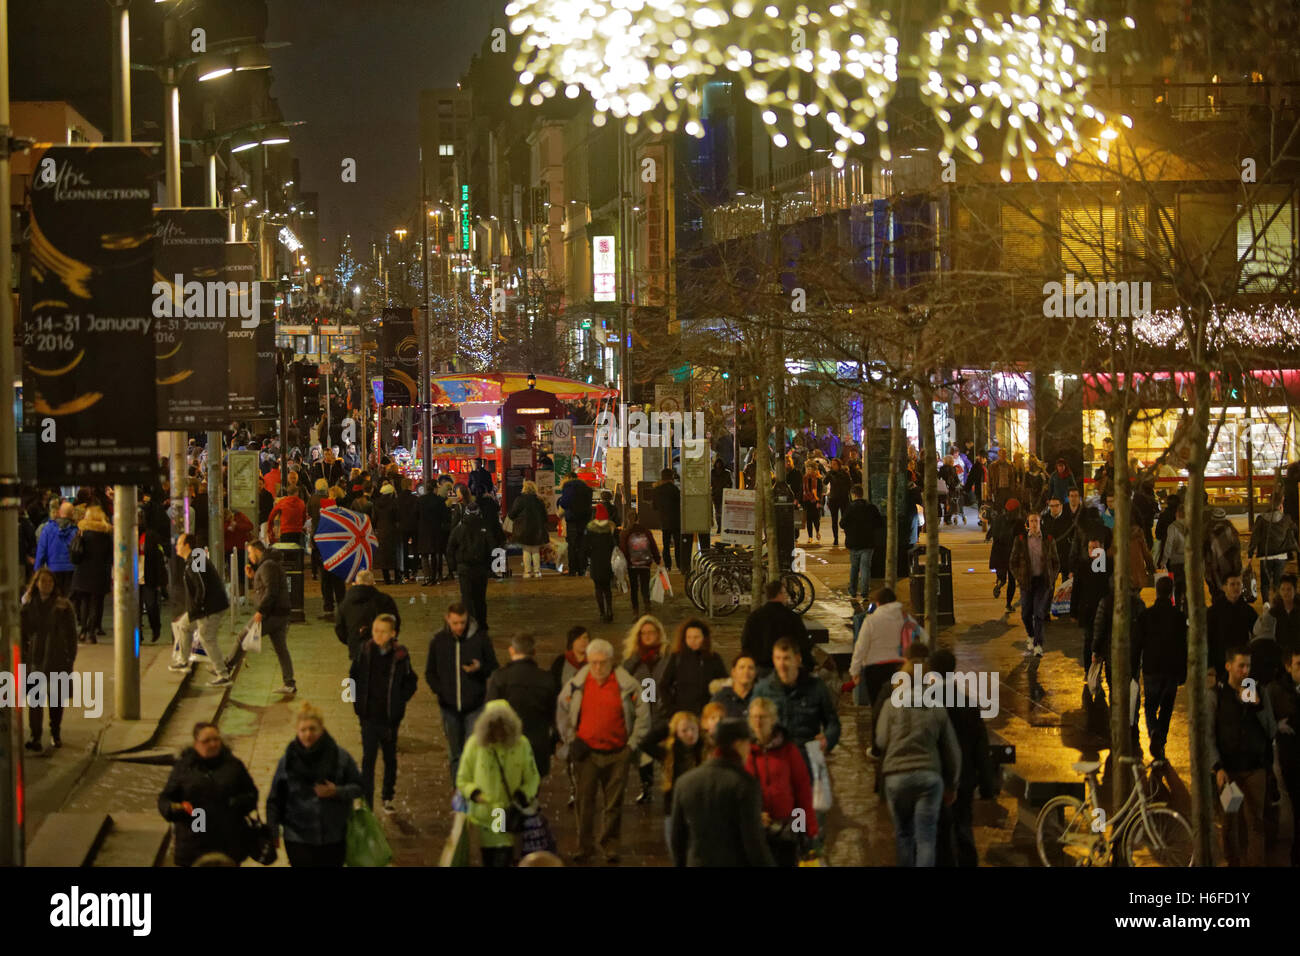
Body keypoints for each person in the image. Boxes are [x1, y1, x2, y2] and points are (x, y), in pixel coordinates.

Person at [556, 638, 650, 864]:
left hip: (618, 752)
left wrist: (632, 744)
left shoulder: (627, 684)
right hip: (586, 754)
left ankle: (609, 844)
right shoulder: (577, 684)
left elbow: (643, 712)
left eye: (602, 662)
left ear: (611, 661)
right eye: (594, 662)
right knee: (583, 803)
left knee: (614, 804)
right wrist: (570, 738)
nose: (597, 667)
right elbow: (562, 708)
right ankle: (584, 845)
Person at [874, 655, 961, 867]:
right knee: (926, 838)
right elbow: (952, 750)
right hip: (929, 776)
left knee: (903, 834)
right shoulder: (936, 706)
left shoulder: (890, 704)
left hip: (896, 777)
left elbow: (881, 741)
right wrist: (953, 784)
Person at [266, 703, 363, 867]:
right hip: (298, 838)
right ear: (297, 731)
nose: (308, 734)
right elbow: (275, 799)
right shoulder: (288, 761)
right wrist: (273, 831)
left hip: (333, 837)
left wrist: (337, 791)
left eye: (313, 729)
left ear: (322, 729)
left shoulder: (340, 757)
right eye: (303, 730)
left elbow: (360, 787)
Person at [669, 717, 775, 866]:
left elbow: (677, 839)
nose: (749, 750)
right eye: (747, 744)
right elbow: (753, 842)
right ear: (738, 744)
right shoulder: (744, 784)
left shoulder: (685, 782)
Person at [1209, 646, 1277, 867]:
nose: (1246, 671)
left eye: (1248, 666)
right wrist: (1217, 766)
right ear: (1229, 666)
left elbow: (1271, 730)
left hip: (1255, 769)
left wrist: (1258, 707)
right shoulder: (1219, 695)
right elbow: (1209, 735)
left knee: (1255, 822)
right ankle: (1233, 862)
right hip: (1230, 772)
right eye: (1241, 666)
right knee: (1230, 823)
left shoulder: (1259, 691)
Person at [928, 648, 995, 867]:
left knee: (936, 832)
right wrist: (987, 785)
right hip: (963, 778)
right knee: (963, 829)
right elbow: (980, 748)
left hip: (934, 776)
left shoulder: (924, 704)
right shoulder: (968, 704)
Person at [157, 723, 258, 867]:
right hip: (193, 844)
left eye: (216, 739)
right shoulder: (183, 767)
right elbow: (165, 799)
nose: (213, 744)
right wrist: (173, 809)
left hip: (227, 844)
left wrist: (236, 804)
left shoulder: (234, 765)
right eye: (207, 741)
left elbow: (251, 794)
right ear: (196, 743)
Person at [456, 699, 542, 867]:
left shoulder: (522, 745)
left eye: (503, 725)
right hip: (481, 818)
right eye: (494, 725)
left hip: (505, 814)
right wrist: (475, 793)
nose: (499, 731)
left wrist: (521, 796)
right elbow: (462, 778)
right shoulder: (475, 745)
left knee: (502, 857)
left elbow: (532, 778)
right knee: (488, 858)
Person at [349, 613, 418, 812]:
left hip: (389, 718)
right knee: (368, 759)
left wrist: (399, 701)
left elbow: (411, 681)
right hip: (368, 716)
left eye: (382, 632)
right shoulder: (365, 650)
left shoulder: (400, 655)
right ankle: (367, 802)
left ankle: (388, 795)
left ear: (392, 633)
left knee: (389, 757)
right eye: (375, 631)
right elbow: (352, 675)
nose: (377, 635)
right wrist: (356, 703)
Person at [425, 602, 497, 779]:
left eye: (462, 623)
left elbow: (493, 666)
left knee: (474, 751)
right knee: (455, 753)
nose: (459, 627)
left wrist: (479, 668)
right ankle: (460, 794)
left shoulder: (480, 639)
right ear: (447, 619)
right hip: (449, 707)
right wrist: (441, 691)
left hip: (475, 706)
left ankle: (474, 790)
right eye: (455, 623)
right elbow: (430, 672)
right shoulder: (439, 641)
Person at [746, 695, 817, 865]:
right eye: (754, 717)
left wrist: (804, 830)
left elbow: (802, 790)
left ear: (773, 719)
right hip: (756, 831)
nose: (758, 721)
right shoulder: (744, 752)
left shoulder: (789, 750)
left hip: (786, 828)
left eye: (762, 717)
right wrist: (754, 814)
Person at [753, 638, 840, 766]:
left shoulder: (815, 687)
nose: (782, 664)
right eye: (778, 658)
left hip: (806, 755)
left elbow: (832, 721)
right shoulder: (763, 689)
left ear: (798, 659)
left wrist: (827, 740)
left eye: (787, 658)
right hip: (774, 756)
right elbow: (750, 723)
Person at [20, 568, 78, 751]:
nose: (46, 585)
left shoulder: (63, 606)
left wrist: (70, 659)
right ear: (36, 583)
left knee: (55, 700)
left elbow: (71, 635)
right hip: (36, 658)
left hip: (57, 657)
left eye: (50, 582)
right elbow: (22, 633)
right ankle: (35, 736)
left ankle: (55, 733)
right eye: (43, 581)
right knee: (35, 701)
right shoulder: (29, 606)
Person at [486, 632, 558, 777]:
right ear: (534, 652)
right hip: (537, 745)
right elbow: (555, 716)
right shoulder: (546, 680)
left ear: (512, 650)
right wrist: (551, 743)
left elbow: (490, 714)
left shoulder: (500, 677)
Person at [1134, 575, 1187, 762]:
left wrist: (1134, 667)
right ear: (1171, 592)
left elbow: (1137, 644)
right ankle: (1160, 739)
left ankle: (1154, 732)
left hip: (1151, 668)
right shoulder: (1179, 617)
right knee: (1167, 707)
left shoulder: (1146, 616)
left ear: (1156, 591)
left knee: (1150, 705)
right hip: (1172, 669)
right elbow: (1183, 646)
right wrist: (1183, 672)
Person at [169, 533, 233, 686]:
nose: (176, 546)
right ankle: (183, 662)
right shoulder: (196, 556)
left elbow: (201, 587)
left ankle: (222, 674)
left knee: (206, 637)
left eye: (179, 543)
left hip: (210, 607)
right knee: (184, 626)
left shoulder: (195, 559)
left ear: (187, 545)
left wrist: (198, 608)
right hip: (206, 605)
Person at [639, 710, 706, 850]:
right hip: (675, 809)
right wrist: (668, 727)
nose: (690, 734)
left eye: (693, 729)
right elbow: (645, 743)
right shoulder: (670, 754)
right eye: (684, 730)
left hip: (700, 810)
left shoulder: (704, 751)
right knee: (677, 851)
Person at [849, 586, 923, 707]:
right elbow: (922, 638)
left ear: (878, 603)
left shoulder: (871, 621)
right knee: (899, 706)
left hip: (875, 669)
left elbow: (861, 647)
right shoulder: (906, 618)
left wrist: (855, 671)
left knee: (877, 706)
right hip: (901, 667)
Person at [622, 615, 668, 804]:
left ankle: (669, 784)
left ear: (659, 634)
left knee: (667, 751)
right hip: (642, 713)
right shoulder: (633, 658)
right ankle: (647, 787)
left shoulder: (668, 656)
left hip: (663, 711)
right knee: (643, 752)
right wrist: (634, 659)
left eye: (652, 632)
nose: (648, 636)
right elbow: (622, 678)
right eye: (644, 633)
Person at [446, 488, 503, 627]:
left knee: (467, 598)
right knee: (480, 598)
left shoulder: (459, 529)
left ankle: (469, 624)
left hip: (464, 568)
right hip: (481, 568)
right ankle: (482, 623)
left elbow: (450, 547)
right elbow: (494, 547)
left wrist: (452, 567)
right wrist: (496, 568)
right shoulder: (484, 528)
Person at [246, 540, 295, 696]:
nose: (249, 556)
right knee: (281, 648)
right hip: (279, 612)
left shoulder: (268, 565)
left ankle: (225, 669)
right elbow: (266, 585)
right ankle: (289, 683)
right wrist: (254, 576)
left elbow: (271, 591)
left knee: (244, 637)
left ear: (257, 551)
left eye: (249, 552)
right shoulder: (267, 565)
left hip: (273, 613)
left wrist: (261, 611)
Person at [740, 580, 815, 676]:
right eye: (785, 593)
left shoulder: (755, 617)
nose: (786, 596)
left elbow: (746, 643)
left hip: (761, 668)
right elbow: (803, 643)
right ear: (780, 594)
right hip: (785, 668)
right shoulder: (791, 617)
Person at [1009, 512, 1059, 657]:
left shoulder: (1048, 540)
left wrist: (1052, 576)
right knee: (1025, 614)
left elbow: (1056, 561)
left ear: (1040, 522)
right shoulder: (1020, 540)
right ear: (1028, 523)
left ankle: (1038, 644)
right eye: (1031, 521)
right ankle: (1030, 635)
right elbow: (1013, 562)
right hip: (1026, 581)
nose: (1034, 524)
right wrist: (1019, 577)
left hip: (1042, 582)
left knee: (1039, 613)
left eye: (1036, 521)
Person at [550, 626, 590, 807]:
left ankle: (587, 788)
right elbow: (553, 692)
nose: (584, 641)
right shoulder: (561, 663)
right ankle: (575, 790)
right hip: (568, 719)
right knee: (571, 756)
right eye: (580, 638)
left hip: (590, 717)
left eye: (586, 638)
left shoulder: (595, 661)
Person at [1269, 648, 1300, 866]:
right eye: (1299, 665)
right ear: (1288, 667)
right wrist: (1276, 726)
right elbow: (1259, 714)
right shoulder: (1277, 690)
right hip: (1292, 759)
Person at [660, 618, 728, 717]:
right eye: (689, 637)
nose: (692, 641)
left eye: (696, 637)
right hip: (683, 714)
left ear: (704, 638)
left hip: (707, 714)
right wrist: (672, 710)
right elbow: (664, 685)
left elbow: (724, 683)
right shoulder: (677, 658)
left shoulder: (714, 658)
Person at [333, 569, 401, 662]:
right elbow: (395, 624)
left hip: (356, 650)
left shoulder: (345, 604)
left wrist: (352, 640)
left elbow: (339, 629)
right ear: (373, 583)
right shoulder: (385, 601)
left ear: (356, 583)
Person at [70, 504, 112, 643]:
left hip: (83, 572)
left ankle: (82, 630)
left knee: (84, 602)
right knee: (96, 603)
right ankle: (92, 633)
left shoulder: (82, 533)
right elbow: (110, 556)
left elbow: (75, 553)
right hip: (100, 573)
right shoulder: (106, 534)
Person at [1207, 575, 1258, 685]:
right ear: (1224, 587)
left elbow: (1257, 635)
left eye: (1238, 584)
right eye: (1232, 584)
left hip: (1242, 662)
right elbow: (1208, 638)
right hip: (1220, 662)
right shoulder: (1214, 611)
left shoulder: (1248, 611)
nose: (1236, 587)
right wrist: (1209, 665)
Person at [1249, 496, 1299, 604]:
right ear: (1280, 505)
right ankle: (1278, 603)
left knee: (1265, 583)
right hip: (1281, 555)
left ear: (1269, 503)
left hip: (1266, 555)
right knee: (1278, 582)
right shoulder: (1286, 518)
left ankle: (1266, 604)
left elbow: (1255, 537)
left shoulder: (1261, 518)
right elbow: (1295, 528)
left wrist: (1250, 552)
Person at [841, 485, 882, 602]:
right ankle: (864, 593)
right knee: (865, 569)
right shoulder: (871, 507)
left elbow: (842, 523)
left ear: (853, 495)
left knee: (854, 567)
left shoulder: (850, 508)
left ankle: (853, 591)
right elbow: (879, 523)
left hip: (854, 542)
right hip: (868, 543)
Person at [619, 509, 662, 616]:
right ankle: (647, 606)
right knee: (645, 586)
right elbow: (653, 547)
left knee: (634, 588)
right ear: (638, 518)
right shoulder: (646, 532)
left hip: (632, 565)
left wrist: (626, 563)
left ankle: (635, 611)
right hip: (645, 564)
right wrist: (658, 560)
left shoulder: (625, 533)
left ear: (627, 520)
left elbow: (623, 550)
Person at [507, 479, 550, 579]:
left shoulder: (520, 499)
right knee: (535, 550)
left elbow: (512, 514)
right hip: (537, 529)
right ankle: (537, 572)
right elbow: (545, 517)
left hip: (523, 529)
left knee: (526, 550)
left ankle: (527, 572)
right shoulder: (539, 501)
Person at [986, 499, 1022, 614]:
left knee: (1002, 576)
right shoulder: (1018, 522)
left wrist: (988, 537)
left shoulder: (999, 519)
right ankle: (1008, 604)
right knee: (1012, 580)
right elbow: (1022, 538)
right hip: (1011, 554)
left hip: (998, 554)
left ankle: (999, 583)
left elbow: (991, 532)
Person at [137, 510, 168, 644]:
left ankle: (156, 627)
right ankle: (138, 634)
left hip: (148, 575)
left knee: (151, 605)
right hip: (133, 576)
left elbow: (158, 559)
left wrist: (161, 579)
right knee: (135, 609)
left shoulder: (150, 536)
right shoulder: (126, 534)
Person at [35, 501, 77, 595]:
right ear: (72, 513)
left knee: (55, 598)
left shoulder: (48, 529)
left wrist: (37, 570)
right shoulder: (76, 530)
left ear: (59, 512)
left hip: (53, 569)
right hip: (71, 570)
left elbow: (41, 551)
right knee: (69, 599)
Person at [586, 503, 618, 622]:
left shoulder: (590, 530)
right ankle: (610, 610)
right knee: (607, 588)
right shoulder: (609, 530)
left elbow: (586, 547)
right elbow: (614, 546)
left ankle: (602, 612)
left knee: (598, 588)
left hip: (595, 562)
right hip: (607, 563)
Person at [558, 472, 593, 576]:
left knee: (572, 545)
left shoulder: (568, 487)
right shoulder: (586, 488)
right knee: (582, 544)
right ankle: (582, 568)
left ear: (568, 478)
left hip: (572, 520)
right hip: (585, 520)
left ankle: (573, 569)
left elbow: (564, 503)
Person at [1256, 573, 1300, 653]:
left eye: (1289, 589)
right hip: (1279, 652)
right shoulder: (1274, 611)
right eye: (1283, 589)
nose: (1285, 592)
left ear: (1295, 590)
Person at [1159, 504, 1189, 614]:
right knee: (1187, 589)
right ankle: (1186, 613)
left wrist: (1164, 560)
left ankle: (1176, 611)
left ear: (1177, 514)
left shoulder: (1173, 527)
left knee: (1176, 587)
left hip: (1176, 562)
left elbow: (1169, 544)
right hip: (1188, 562)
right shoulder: (1192, 526)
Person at [652, 468, 683, 571]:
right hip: (676, 521)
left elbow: (654, 506)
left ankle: (668, 565)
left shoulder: (657, 490)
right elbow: (680, 504)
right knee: (678, 545)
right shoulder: (675, 489)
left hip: (664, 521)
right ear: (671, 477)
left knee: (666, 545)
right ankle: (679, 564)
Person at [711, 653, 759, 719]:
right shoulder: (720, 698)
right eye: (742, 667)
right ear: (733, 672)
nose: (746, 671)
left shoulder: (760, 696)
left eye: (750, 668)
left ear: (755, 673)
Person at [371, 482, 401, 585]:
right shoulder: (394, 503)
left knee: (383, 555)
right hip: (392, 531)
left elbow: (374, 519)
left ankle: (386, 578)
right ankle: (397, 578)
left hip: (381, 531)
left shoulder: (376, 503)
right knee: (395, 555)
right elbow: (398, 517)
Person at [800, 462, 823, 544]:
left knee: (816, 519)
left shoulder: (818, 480)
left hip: (815, 501)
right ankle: (810, 537)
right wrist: (801, 502)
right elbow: (801, 491)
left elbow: (820, 492)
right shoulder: (804, 479)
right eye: (807, 469)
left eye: (810, 469)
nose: (808, 471)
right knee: (809, 520)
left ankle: (817, 531)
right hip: (806, 501)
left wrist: (819, 501)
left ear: (814, 470)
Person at [711, 457, 732, 532]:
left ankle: (721, 526)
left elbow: (730, 484)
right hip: (716, 495)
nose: (718, 465)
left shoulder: (726, 473)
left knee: (721, 512)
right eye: (717, 463)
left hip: (722, 494)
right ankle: (720, 526)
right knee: (718, 512)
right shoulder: (712, 472)